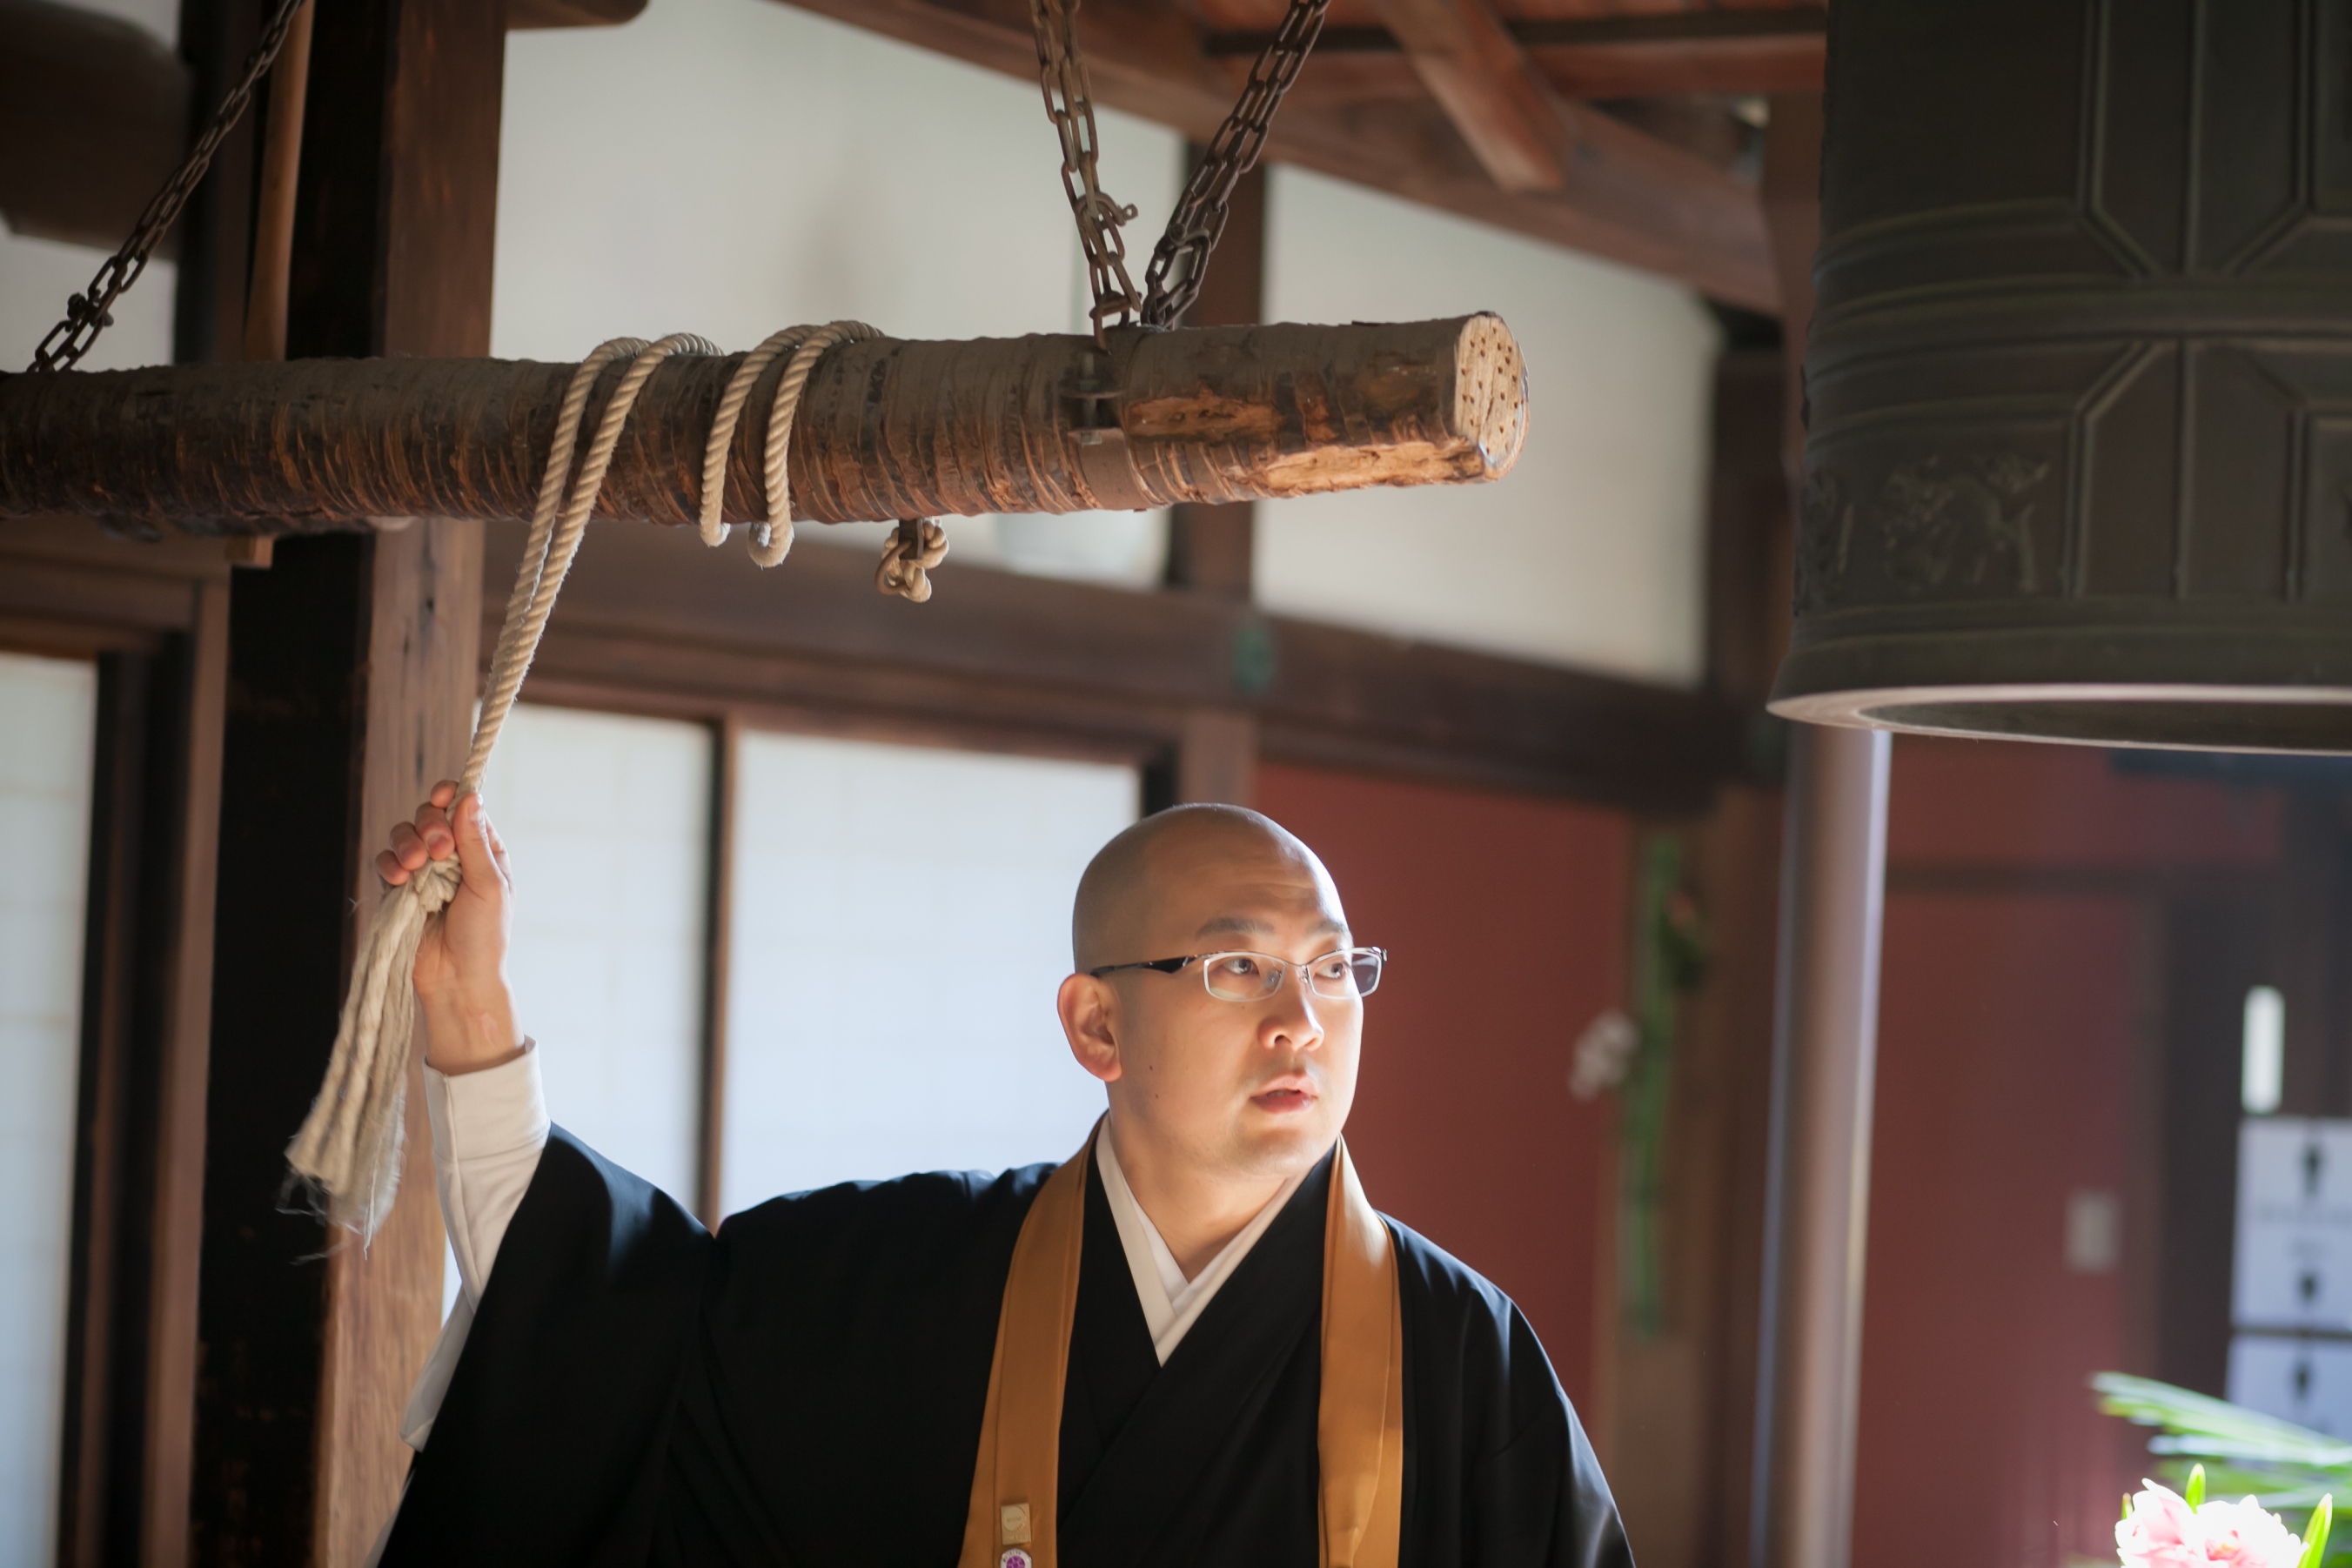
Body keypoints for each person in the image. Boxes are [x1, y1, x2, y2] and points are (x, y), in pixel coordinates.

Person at [372, 781, 1632, 1568]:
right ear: (1095, 1025)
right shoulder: (910, 1283)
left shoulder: (1465, 1358)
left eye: (1335, 966)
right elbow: (604, 1332)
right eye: (1239, 967)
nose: (1304, 1016)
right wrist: (472, 1006)